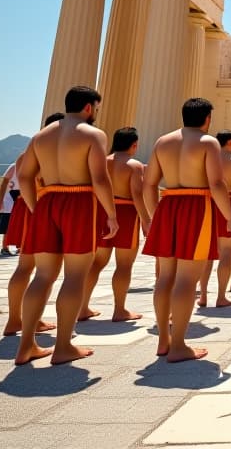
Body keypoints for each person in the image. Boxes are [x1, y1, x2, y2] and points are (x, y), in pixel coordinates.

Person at [15, 87, 118, 365]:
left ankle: (26, 345)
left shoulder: (40, 136)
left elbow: (24, 176)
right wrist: (111, 213)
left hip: (47, 201)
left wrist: (37, 206)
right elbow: (99, 178)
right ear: (88, 107)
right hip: (80, 203)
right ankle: (62, 347)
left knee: (43, 276)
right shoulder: (93, 134)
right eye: (95, 107)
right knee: (74, 277)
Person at [142, 98, 231, 363]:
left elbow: (148, 184)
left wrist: (154, 215)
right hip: (197, 208)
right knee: (186, 279)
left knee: (165, 278)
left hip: (168, 205)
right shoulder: (208, 143)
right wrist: (229, 216)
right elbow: (216, 183)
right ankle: (179, 344)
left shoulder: (162, 142)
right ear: (207, 118)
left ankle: (163, 339)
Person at [78, 127, 151, 322]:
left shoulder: (101, 161)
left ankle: (82, 307)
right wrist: (146, 220)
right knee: (125, 264)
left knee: (96, 263)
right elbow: (137, 194)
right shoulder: (134, 165)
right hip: (126, 213)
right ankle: (119, 309)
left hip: (102, 210)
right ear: (134, 145)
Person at [2, 113, 63, 337]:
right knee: (45, 272)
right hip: (41, 208)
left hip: (25, 206)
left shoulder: (25, 154)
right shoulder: (52, 153)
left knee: (24, 266)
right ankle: (32, 322)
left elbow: (24, 179)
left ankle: (14, 320)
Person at [198, 130, 231, 308]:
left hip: (210, 204)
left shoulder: (207, 160)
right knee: (229, 249)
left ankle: (203, 295)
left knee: (208, 253)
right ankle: (221, 295)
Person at [0, 162, 18, 256]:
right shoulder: (14, 167)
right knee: (7, 225)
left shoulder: (31, 166)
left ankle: (20, 247)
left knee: (20, 224)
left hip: (21, 198)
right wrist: (1, 202)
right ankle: (4, 248)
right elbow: (4, 183)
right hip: (9, 200)